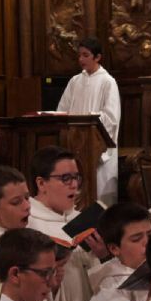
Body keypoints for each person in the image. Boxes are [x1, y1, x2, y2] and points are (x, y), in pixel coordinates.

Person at [25, 145, 108, 301]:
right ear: (41, 183)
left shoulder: (81, 219)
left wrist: (102, 254)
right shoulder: (28, 222)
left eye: (76, 177)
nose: (74, 185)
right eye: (65, 178)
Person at [57, 37, 121, 205]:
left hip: (96, 147)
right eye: (80, 55)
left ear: (97, 57)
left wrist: (89, 122)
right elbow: (63, 110)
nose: (81, 59)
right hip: (76, 145)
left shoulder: (108, 82)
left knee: (99, 198)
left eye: (86, 55)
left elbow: (111, 118)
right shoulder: (75, 81)